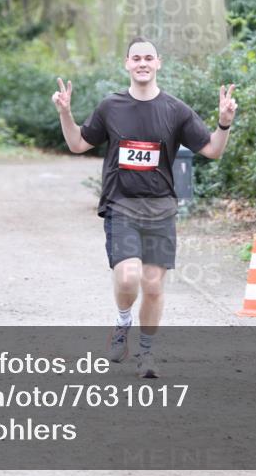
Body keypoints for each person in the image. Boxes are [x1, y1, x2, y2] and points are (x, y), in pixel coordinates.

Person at [52, 37, 236, 378]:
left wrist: (224, 123)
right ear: (126, 64)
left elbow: (212, 150)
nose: (142, 63)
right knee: (128, 277)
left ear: (158, 63)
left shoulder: (176, 110)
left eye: (148, 58)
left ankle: (146, 355)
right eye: (136, 58)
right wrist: (65, 113)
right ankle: (122, 324)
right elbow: (78, 143)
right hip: (121, 205)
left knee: (152, 286)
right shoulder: (111, 106)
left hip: (160, 210)